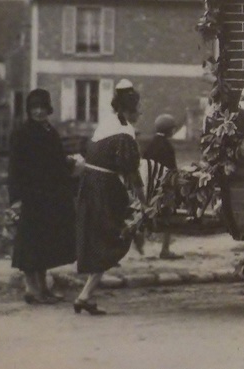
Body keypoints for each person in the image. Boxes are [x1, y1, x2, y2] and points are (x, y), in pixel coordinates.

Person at [74, 79, 144, 315]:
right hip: (103, 189)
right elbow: (130, 169)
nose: (139, 114)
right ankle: (85, 295)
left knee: (100, 239)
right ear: (127, 110)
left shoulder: (106, 123)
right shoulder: (124, 132)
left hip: (91, 184)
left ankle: (87, 296)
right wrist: (141, 195)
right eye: (136, 110)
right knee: (113, 236)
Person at [8, 89, 80, 304]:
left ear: (48, 109)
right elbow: (15, 167)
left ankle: (43, 288)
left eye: (42, 107)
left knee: (44, 244)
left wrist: (68, 163)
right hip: (31, 195)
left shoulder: (49, 130)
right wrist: (17, 198)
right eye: (34, 108)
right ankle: (32, 290)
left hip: (50, 195)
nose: (38, 112)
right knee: (30, 244)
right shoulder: (22, 132)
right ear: (29, 110)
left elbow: (54, 160)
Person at [142, 114, 181, 260]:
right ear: (169, 130)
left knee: (147, 215)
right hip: (164, 187)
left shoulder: (150, 144)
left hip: (149, 185)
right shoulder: (167, 146)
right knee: (167, 216)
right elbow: (172, 169)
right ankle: (165, 250)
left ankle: (143, 249)